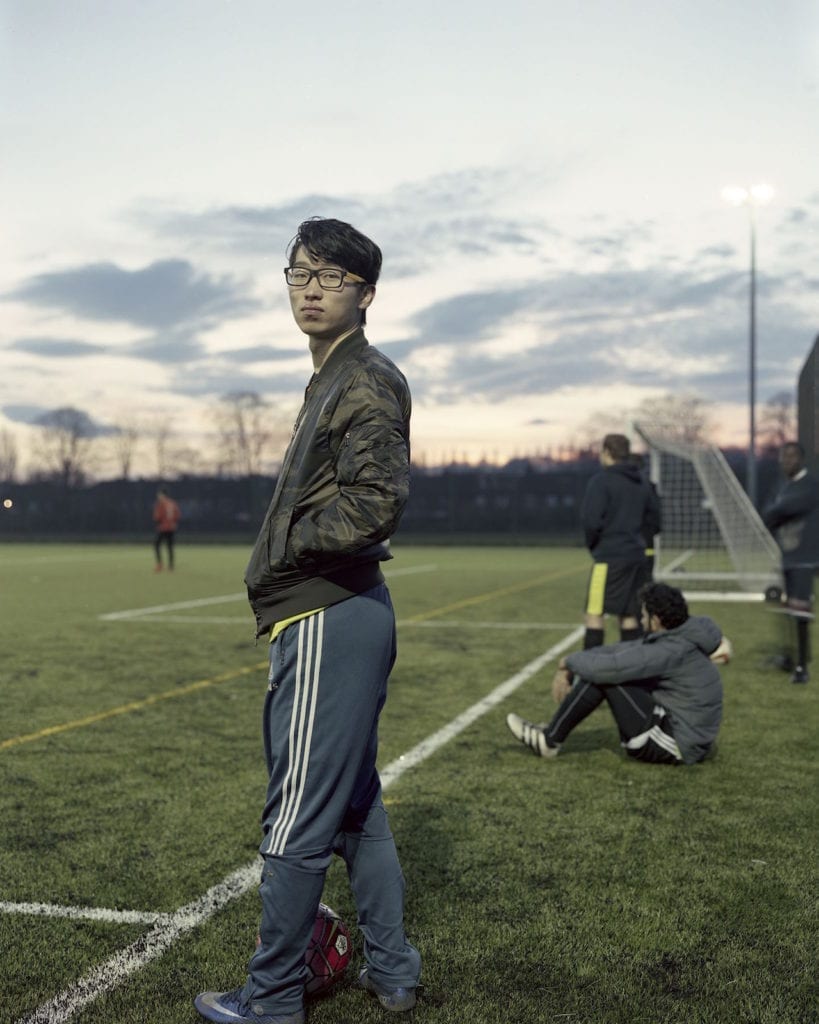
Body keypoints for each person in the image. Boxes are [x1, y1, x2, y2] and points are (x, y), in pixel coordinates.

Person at [195, 218, 420, 1024]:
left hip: (329, 607)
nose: (311, 288)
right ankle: (394, 973)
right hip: (336, 609)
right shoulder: (330, 375)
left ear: (365, 293)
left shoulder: (363, 377)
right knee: (356, 807)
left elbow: (376, 500)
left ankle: (272, 996)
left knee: (296, 810)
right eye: (298, 274)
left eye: (330, 276)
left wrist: (285, 550)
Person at [507, 582, 723, 765]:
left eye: (644, 615)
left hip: (678, 745)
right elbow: (624, 650)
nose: (640, 620)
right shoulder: (682, 634)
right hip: (690, 736)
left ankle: (548, 741)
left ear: (656, 621)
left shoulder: (670, 650)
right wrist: (573, 662)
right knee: (608, 670)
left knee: (606, 677)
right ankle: (550, 737)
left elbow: (609, 668)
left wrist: (567, 663)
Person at [579, 434, 661, 648]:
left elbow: (591, 522)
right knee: (630, 615)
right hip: (637, 558)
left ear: (606, 452)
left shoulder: (601, 481)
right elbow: (654, 520)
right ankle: (633, 672)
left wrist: (594, 545)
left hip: (610, 557)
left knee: (594, 614)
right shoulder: (642, 483)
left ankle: (591, 675)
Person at [762, 441, 819, 684]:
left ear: (801, 460)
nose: (787, 462)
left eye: (792, 457)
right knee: (788, 610)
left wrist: (778, 510)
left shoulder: (811, 485)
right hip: (787, 556)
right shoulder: (784, 486)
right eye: (783, 457)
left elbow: (784, 508)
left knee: (800, 610)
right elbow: (769, 513)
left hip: (805, 557)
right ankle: (790, 656)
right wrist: (777, 510)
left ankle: (801, 667)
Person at [152, 488, 180, 571]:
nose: (158, 496)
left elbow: (157, 517)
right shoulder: (173, 503)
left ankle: (159, 564)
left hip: (163, 528)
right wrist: (174, 523)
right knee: (170, 547)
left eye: (159, 495)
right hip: (172, 528)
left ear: (163, 495)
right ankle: (171, 566)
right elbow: (177, 515)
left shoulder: (161, 504)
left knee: (156, 545)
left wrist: (158, 522)